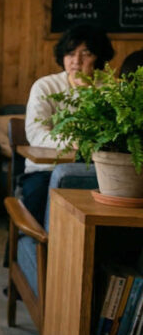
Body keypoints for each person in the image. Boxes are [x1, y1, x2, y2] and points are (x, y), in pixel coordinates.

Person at [23, 24, 114, 224]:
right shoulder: (45, 86)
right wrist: (72, 142)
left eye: (86, 53)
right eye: (70, 53)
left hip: (97, 170)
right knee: (36, 199)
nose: (76, 61)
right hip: (45, 170)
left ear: (99, 57)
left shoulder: (111, 89)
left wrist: (88, 93)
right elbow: (36, 134)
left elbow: (114, 133)